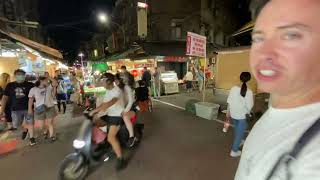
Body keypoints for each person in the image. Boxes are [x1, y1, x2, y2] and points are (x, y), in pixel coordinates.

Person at [235, 0, 320, 179]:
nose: (264, 52)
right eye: (258, 38)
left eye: (291, 35)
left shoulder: (313, 157)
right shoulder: (279, 110)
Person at [90, 73, 127, 171]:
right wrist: (94, 110)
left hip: (117, 116)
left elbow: (111, 102)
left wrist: (97, 110)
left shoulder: (117, 91)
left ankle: (120, 158)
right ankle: (104, 143)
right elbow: (104, 103)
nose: (102, 83)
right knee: (94, 122)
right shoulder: (107, 91)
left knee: (111, 137)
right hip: (110, 115)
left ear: (109, 81)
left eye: (103, 81)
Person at [0, 69, 35, 146]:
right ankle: (25, 130)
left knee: (30, 123)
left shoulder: (30, 85)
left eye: (22, 75)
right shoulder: (10, 85)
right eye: (19, 74)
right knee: (17, 124)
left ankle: (32, 138)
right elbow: (5, 98)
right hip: (15, 109)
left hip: (28, 108)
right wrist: (2, 110)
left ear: (24, 76)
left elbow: (36, 94)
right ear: (15, 76)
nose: (21, 76)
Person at [226, 72, 253, 157]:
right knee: (240, 132)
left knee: (237, 129)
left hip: (233, 113)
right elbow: (249, 106)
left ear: (240, 78)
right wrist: (249, 113)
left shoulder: (233, 88)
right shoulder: (249, 92)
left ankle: (240, 141)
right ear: (249, 80)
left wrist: (228, 112)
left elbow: (229, 101)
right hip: (242, 116)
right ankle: (234, 151)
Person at [28, 76, 58, 142]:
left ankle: (52, 135)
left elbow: (55, 83)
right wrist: (30, 108)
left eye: (48, 81)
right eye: (46, 80)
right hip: (39, 109)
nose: (47, 82)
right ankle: (45, 130)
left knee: (50, 123)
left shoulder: (49, 87)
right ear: (41, 81)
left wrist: (49, 77)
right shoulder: (33, 89)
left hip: (50, 107)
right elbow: (30, 100)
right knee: (41, 126)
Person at [115, 73, 137, 147]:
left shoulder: (127, 87)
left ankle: (131, 137)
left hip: (131, 109)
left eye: (116, 80)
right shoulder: (116, 88)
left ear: (120, 80)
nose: (115, 82)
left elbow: (130, 101)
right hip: (121, 109)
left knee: (125, 116)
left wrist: (125, 111)